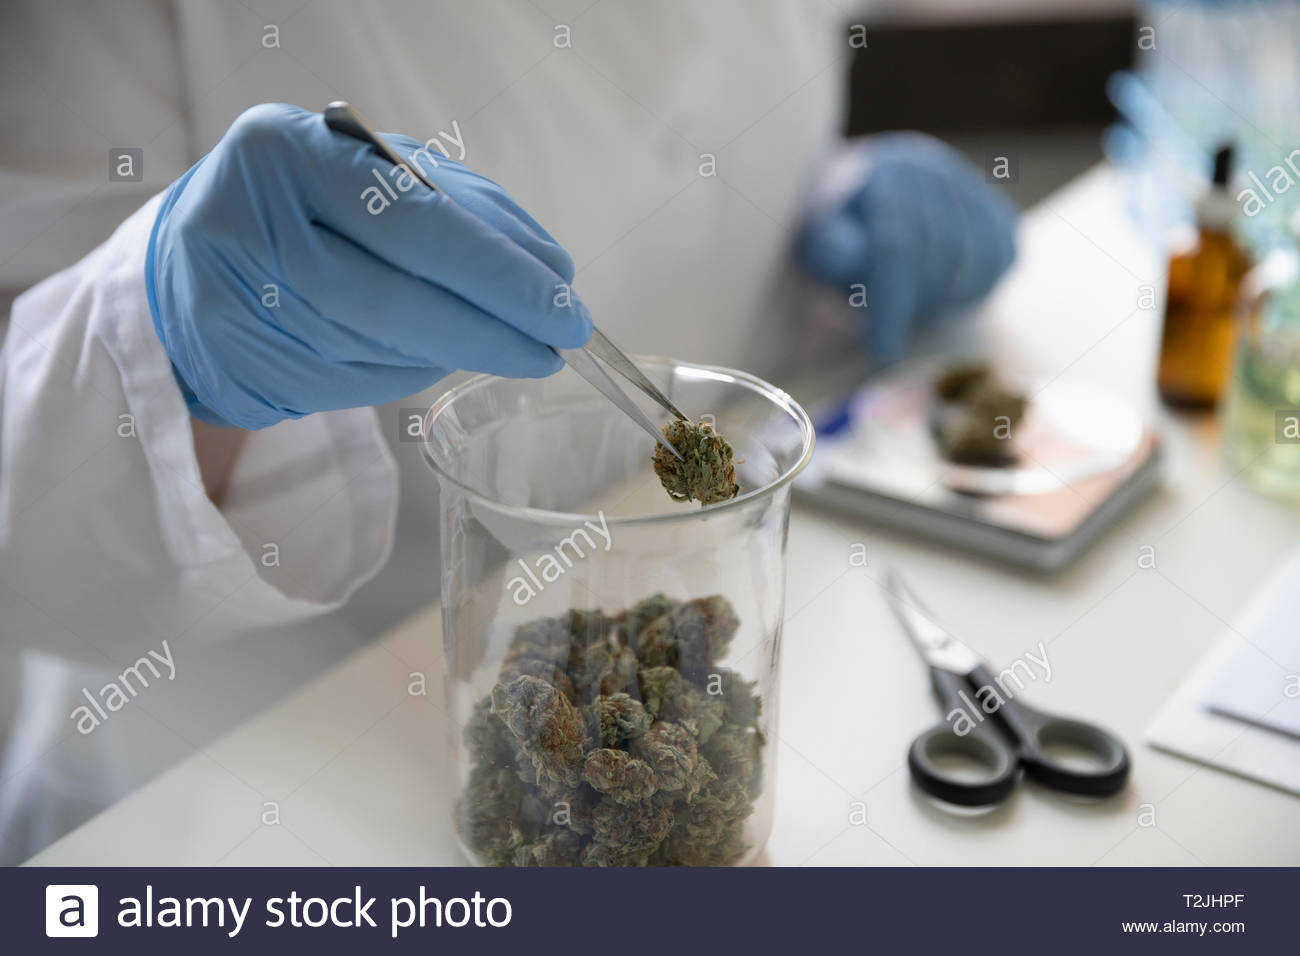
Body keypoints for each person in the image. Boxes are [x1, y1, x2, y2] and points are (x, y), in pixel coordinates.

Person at [0, 0, 1016, 862]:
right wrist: (164, 345)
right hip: (233, 787)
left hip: (657, 755)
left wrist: (822, 210)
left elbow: (690, 138)